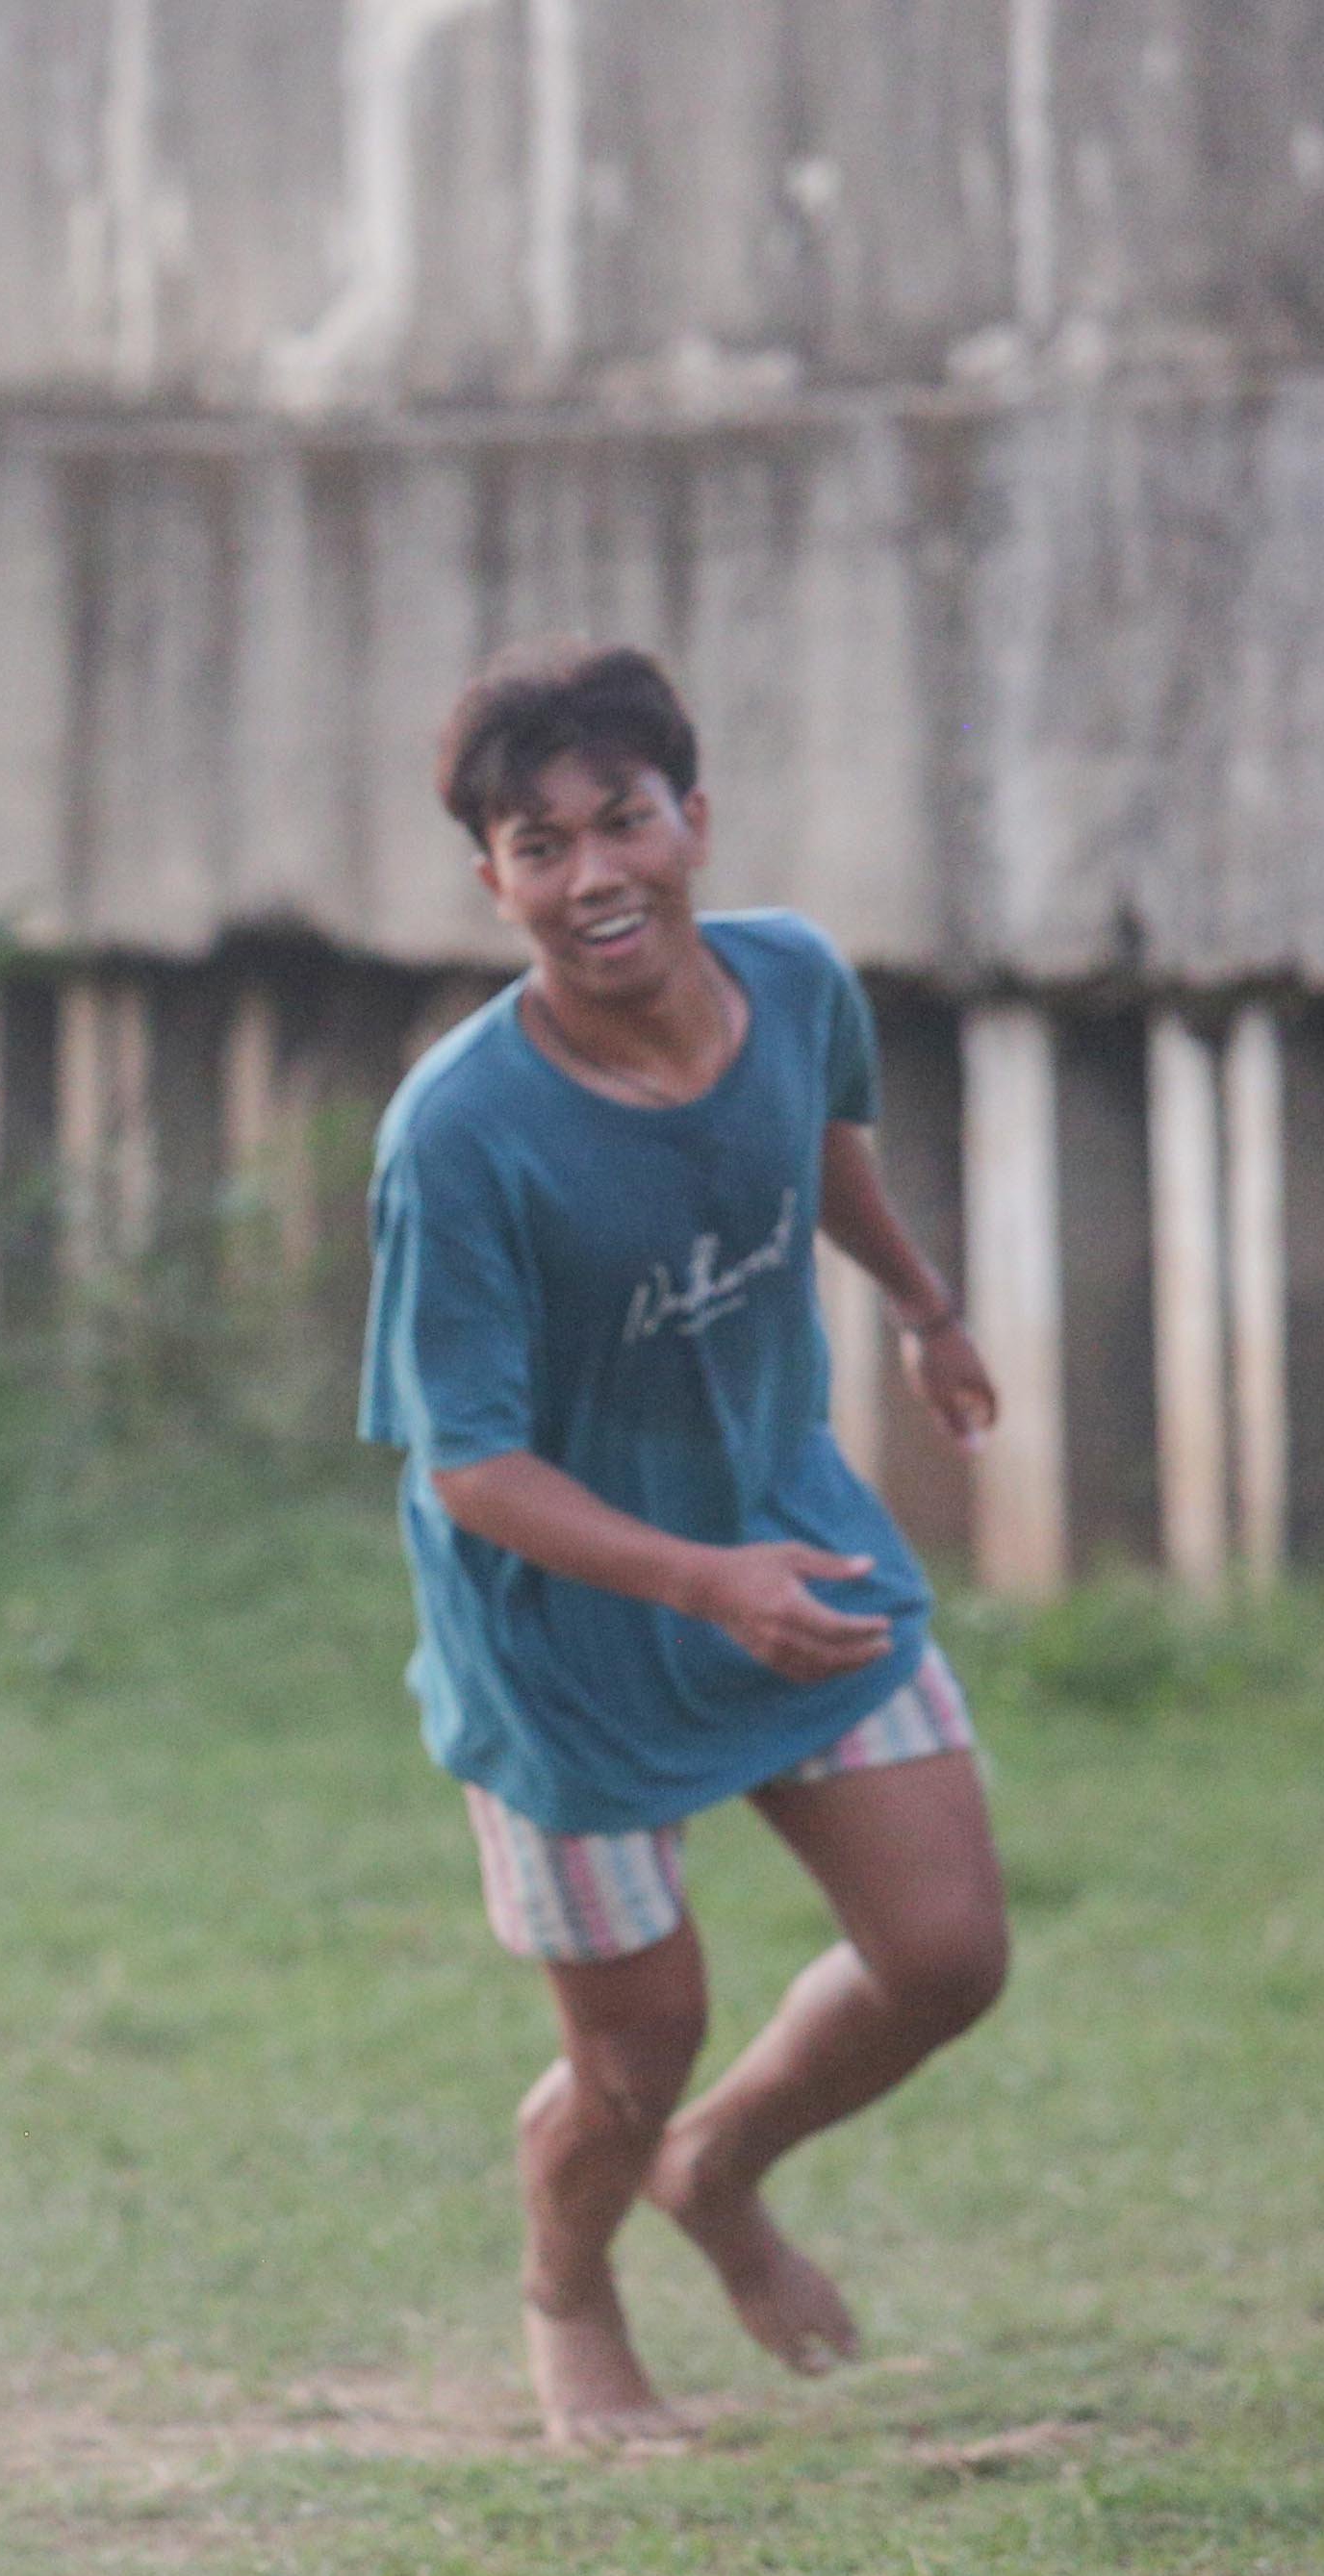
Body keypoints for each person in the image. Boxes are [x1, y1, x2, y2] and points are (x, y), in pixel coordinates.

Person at [361, 641, 1011, 2449]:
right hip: (561, 1640)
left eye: (621, 823)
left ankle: (718, 2175)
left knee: (947, 1954)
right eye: (538, 845)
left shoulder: (793, 979)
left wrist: (922, 1306)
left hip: (785, 1546)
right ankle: (567, 2295)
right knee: (628, 2052)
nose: (593, 878)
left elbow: (821, 1153)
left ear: (691, 820)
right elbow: (469, 1467)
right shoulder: (460, 1136)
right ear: (490, 881)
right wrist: (696, 1581)